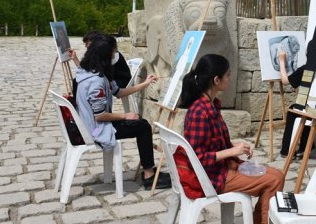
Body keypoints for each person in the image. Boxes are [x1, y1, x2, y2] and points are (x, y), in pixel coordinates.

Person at [174, 54, 284, 224]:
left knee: (277, 175)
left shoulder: (210, 105)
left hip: (223, 168)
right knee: (274, 180)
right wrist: (232, 151)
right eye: (228, 75)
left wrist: (236, 146)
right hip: (213, 177)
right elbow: (199, 158)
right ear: (216, 80)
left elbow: (214, 142)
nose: (230, 78)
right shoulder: (199, 112)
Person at [75, 35, 171, 190]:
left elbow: (119, 92)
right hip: (96, 128)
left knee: (141, 122)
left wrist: (145, 84)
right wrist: (125, 115)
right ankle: (149, 175)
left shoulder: (88, 70)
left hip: (94, 124)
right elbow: (99, 115)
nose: (115, 57)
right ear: (105, 56)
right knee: (143, 127)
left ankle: (149, 170)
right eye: (113, 54)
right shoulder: (97, 81)